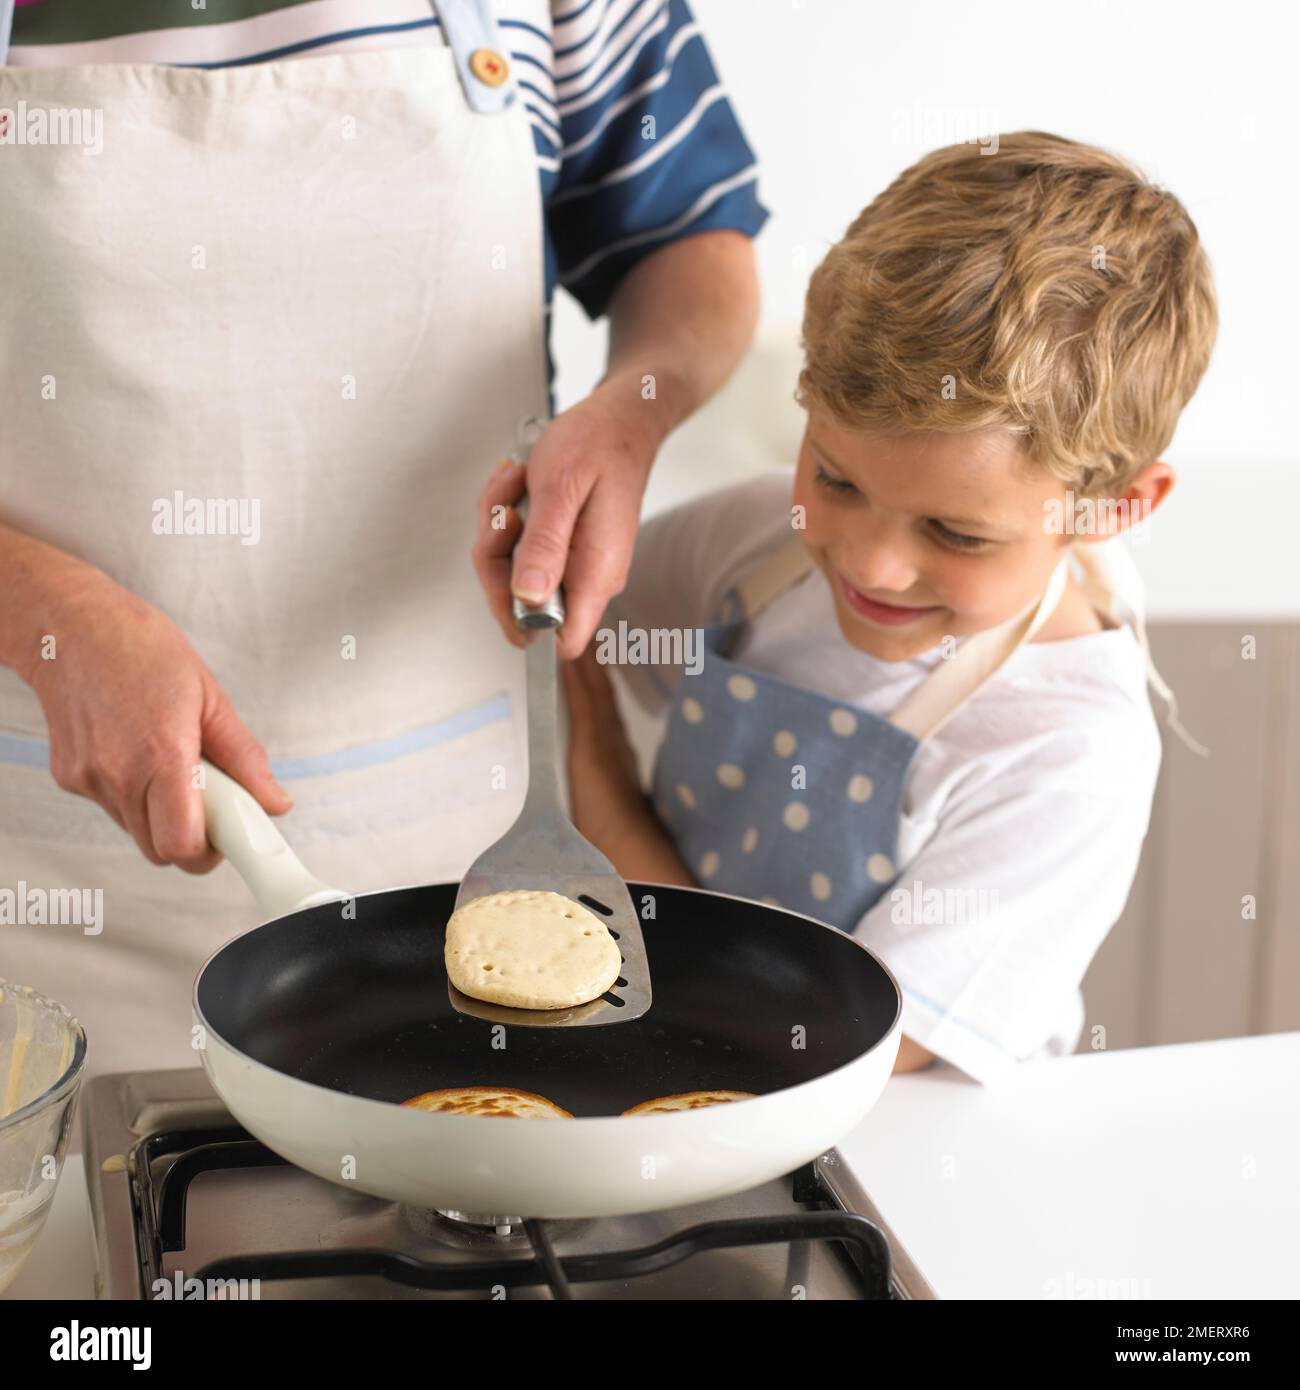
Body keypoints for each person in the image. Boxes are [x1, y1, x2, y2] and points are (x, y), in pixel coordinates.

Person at [0, 0, 764, 1082]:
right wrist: (44, 618)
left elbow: (690, 242)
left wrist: (634, 408)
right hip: (46, 888)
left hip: (472, 854)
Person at [510, 132, 1218, 1084]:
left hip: (897, 1173)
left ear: (1115, 506)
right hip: (682, 1084)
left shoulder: (1067, 753)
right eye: (836, 479)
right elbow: (583, 623)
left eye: (957, 535)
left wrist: (598, 790)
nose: (871, 565)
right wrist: (537, 556)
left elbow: (825, 1045)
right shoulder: (758, 547)